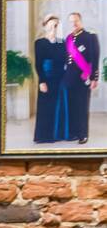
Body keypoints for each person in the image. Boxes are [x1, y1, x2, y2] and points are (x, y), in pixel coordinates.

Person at [60, 11, 100, 144]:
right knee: (72, 106)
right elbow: (67, 59)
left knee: (82, 106)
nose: (74, 24)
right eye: (71, 22)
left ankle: (83, 134)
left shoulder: (90, 37)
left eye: (76, 21)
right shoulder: (68, 38)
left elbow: (95, 57)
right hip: (69, 78)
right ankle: (74, 132)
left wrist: (94, 78)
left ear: (80, 21)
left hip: (84, 77)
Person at [33, 14, 68, 143]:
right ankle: (43, 136)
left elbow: (64, 60)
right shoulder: (39, 43)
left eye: (56, 24)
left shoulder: (61, 43)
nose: (54, 26)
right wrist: (42, 81)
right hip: (46, 78)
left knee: (58, 106)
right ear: (45, 25)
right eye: (51, 24)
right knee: (45, 106)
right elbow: (38, 64)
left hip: (60, 78)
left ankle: (57, 135)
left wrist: (59, 36)